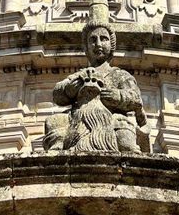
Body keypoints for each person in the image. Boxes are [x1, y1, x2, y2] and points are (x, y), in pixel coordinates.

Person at [44, 17, 146, 154]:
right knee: (55, 121)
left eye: (103, 39)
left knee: (121, 124)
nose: (98, 44)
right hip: (79, 119)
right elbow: (57, 94)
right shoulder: (80, 75)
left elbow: (136, 99)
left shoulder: (120, 75)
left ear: (112, 45)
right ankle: (57, 149)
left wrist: (117, 96)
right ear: (86, 47)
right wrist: (69, 89)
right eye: (93, 40)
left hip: (110, 119)